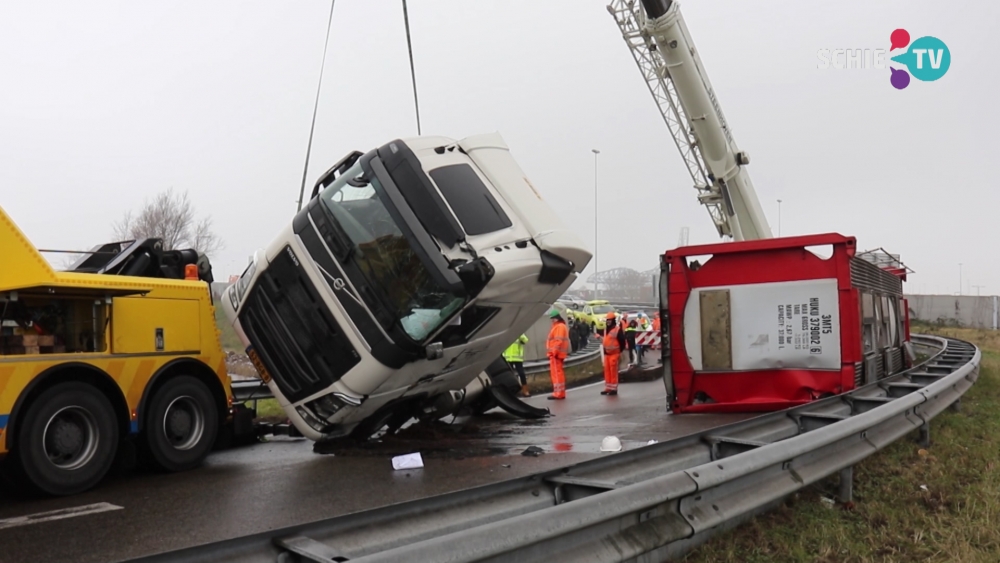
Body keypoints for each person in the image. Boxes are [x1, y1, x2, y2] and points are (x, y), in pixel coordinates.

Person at [546, 309, 570, 400]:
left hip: (556, 354)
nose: (552, 320)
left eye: (552, 319)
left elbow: (558, 341)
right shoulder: (559, 326)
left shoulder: (559, 327)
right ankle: (559, 392)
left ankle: (558, 393)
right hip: (557, 354)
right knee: (557, 373)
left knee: (556, 374)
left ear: (556, 318)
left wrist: (553, 352)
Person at [601, 312, 626, 396]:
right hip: (607, 354)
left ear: (613, 320)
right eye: (607, 320)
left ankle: (614, 389)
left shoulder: (617, 329)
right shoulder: (606, 330)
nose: (608, 322)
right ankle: (608, 387)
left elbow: (622, 341)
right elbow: (605, 341)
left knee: (613, 371)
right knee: (607, 371)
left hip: (614, 354)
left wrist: (619, 351)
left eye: (609, 320)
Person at [503, 333, 530, 397]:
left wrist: (518, 333)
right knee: (509, 376)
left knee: (522, 374)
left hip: (517, 358)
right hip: (508, 358)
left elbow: (525, 340)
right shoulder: (505, 334)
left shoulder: (518, 333)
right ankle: (510, 392)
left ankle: (525, 391)